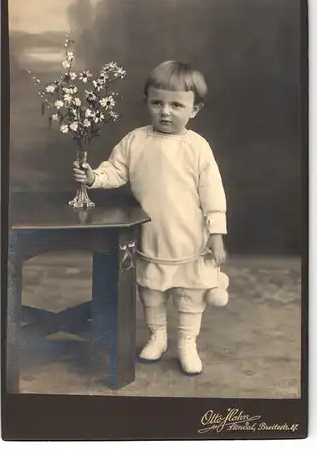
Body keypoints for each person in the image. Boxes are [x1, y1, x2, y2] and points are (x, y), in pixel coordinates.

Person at [73, 60, 229, 376]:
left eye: (176, 105)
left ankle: (187, 342)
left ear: (194, 109)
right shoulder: (136, 141)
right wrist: (93, 177)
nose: (165, 112)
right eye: (157, 103)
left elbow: (213, 194)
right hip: (150, 236)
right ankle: (157, 336)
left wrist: (216, 234)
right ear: (147, 102)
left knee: (189, 292)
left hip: (187, 237)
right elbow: (115, 170)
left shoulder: (197, 147)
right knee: (151, 290)